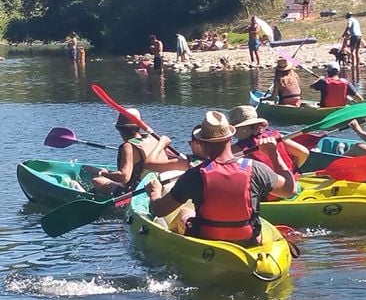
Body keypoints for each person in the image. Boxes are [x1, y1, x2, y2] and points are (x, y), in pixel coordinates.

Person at [145, 111, 296, 246]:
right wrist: (274, 155)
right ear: (230, 139)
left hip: (208, 241)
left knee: (185, 212)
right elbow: (290, 190)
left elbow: (160, 210)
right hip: (249, 242)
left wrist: (155, 192)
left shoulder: (194, 174)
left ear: (203, 144)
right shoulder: (256, 169)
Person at [91, 108, 188, 196]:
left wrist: (103, 173)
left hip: (135, 193)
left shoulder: (128, 146)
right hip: (158, 187)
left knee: (97, 180)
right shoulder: (153, 139)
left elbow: (124, 177)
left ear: (120, 129)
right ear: (139, 127)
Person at [228, 105, 309, 175]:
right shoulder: (276, 136)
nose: (233, 133)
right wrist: (293, 170)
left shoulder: (237, 149)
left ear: (243, 128)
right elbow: (304, 153)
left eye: (234, 129)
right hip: (291, 182)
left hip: (270, 191)